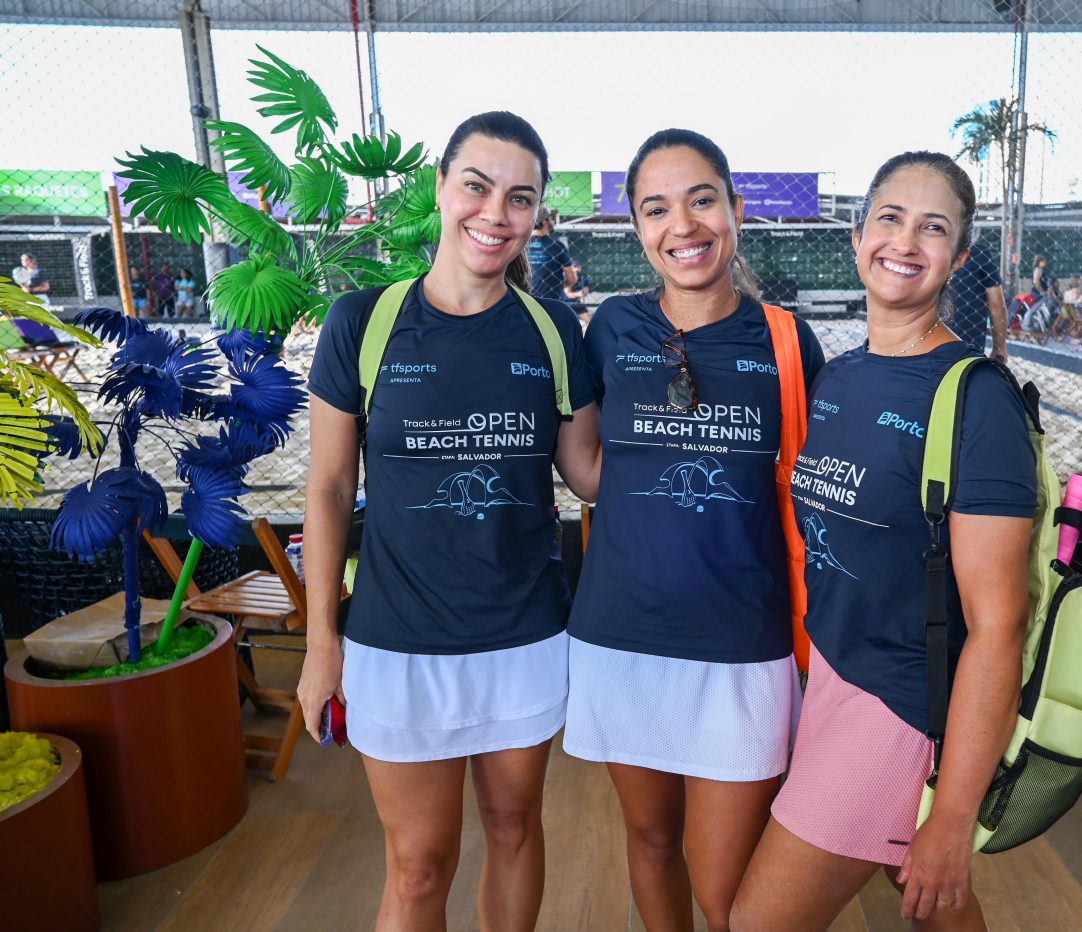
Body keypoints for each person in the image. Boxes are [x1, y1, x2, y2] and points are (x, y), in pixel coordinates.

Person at [296, 111, 600, 932]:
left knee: (512, 827)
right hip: (398, 641)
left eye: (520, 197)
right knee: (420, 866)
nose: (495, 213)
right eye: (477, 185)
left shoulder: (550, 330)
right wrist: (323, 641)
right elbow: (326, 490)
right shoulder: (363, 322)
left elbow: (588, 473)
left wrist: (713, 435)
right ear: (440, 187)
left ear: (538, 215)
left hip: (525, 633)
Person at [731, 151, 1037, 932]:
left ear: (960, 257)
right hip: (832, 672)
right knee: (933, 906)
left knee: (757, 922)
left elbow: (1000, 626)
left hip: (899, 704)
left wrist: (954, 817)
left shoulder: (977, 401)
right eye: (891, 219)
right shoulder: (842, 376)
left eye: (934, 228)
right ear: (859, 233)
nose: (906, 241)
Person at [564, 128, 824, 932]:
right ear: (638, 228)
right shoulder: (610, 327)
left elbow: (810, 489)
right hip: (622, 635)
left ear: (736, 210)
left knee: (729, 891)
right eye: (657, 208)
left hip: (742, 644)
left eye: (701, 199)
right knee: (649, 839)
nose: (683, 224)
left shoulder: (783, 339)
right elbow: (587, 470)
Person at [945, 239, 1007, 362]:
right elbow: (996, 304)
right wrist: (999, 348)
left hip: (920, 347)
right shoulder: (978, 254)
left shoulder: (923, 250)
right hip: (967, 351)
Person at [526, 207, 578, 302]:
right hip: (552, 302)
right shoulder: (557, 246)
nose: (552, 221)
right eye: (551, 218)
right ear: (545, 222)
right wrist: (560, 286)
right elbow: (572, 278)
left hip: (524, 301)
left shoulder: (519, 246)